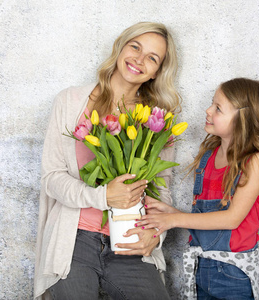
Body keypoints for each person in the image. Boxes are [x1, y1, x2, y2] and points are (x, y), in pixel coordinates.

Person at [34, 22, 181, 299]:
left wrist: (157, 234)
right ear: (119, 47)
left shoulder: (156, 120)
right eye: (135, 47)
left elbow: (162, 190)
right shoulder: (70, 101)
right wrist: (103, 196)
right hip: (74, 239)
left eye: (152, 57)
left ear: (157, 72)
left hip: (131, 242)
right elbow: (52, 178)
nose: (139, 59)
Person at [135, 78, 259, 299]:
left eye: (218, 108)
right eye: (211, 103)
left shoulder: (256, 161)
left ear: (243, 119)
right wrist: (170, 212)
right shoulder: (209, 157)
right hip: (201, 266)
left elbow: (231, 219)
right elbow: (204, 218)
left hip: (232, 273)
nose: (207, 111)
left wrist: (174, 221)